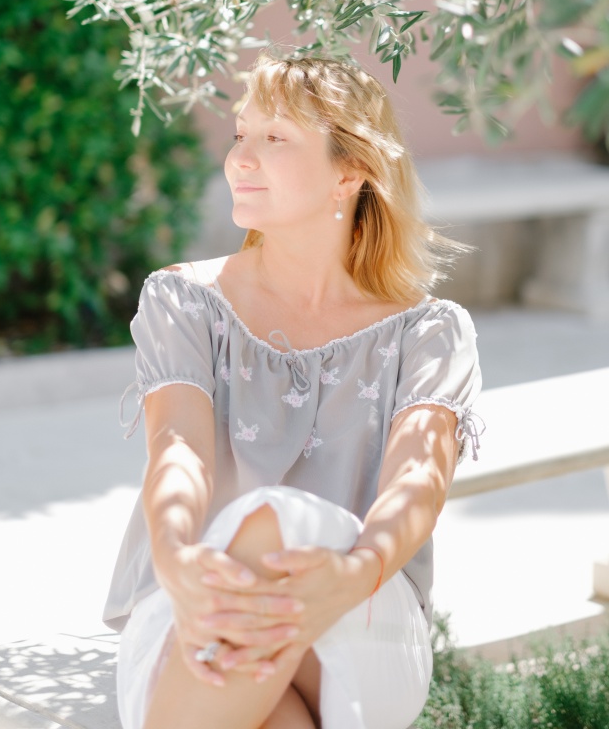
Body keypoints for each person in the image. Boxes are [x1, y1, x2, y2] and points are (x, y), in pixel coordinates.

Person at [104, 54, 483, 729]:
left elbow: (417, 487)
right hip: (198, 606)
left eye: (275, 137)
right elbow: (177, 450)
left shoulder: (429, 332)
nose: (240, 159)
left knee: (275, 520)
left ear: (351, 172)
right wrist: (177, 560)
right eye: (240, 135)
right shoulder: (185, 300)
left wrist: (355, 572)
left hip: (363, 613)